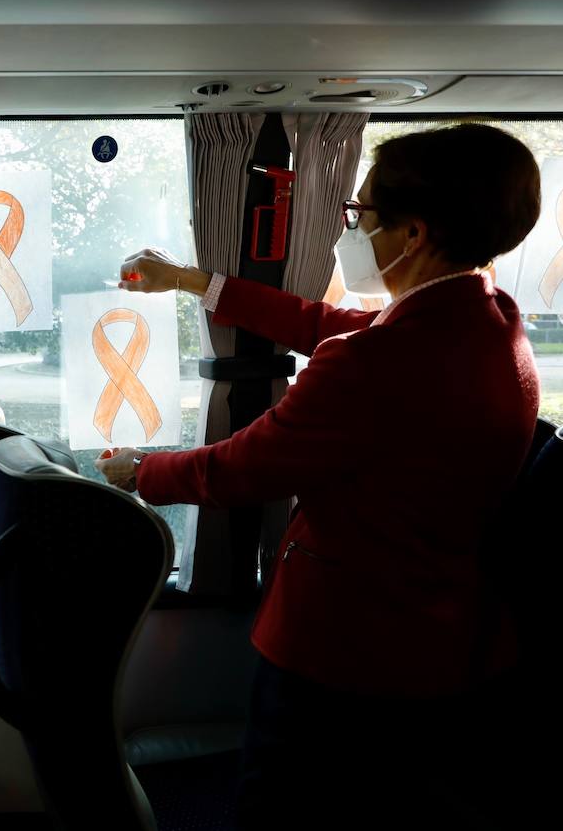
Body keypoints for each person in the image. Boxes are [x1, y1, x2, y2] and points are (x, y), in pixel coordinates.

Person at [96, 123, 541, 830]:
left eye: (360, 214)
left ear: (414, 234)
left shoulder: (381, 364)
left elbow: (241, 468)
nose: (351, 228)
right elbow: (319, 321)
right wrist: (191, 282)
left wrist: (137, 470)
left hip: (346, 648)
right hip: (437, 639)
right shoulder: (488, 319)